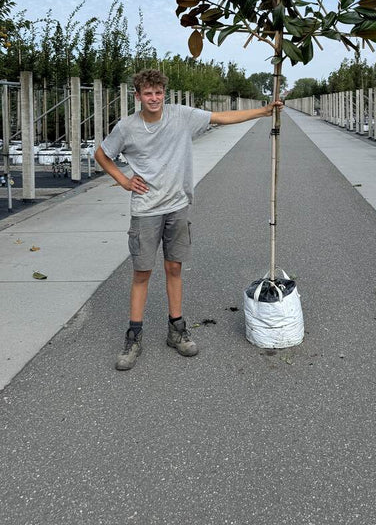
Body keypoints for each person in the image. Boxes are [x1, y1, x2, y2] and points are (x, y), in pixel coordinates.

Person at [94, 68, 283, 371]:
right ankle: (134, 335)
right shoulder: (127, 127)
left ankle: (176, 330)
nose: (153, 98)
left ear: (163, 94)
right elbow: (102, 154)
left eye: (158, 93)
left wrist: (263, 111)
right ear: (138, 96)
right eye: (147, 93)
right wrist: (124, 180)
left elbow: (220, 118)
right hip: (146, 209)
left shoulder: (180, 115)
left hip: (178, 206)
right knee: (142, 272)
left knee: (174, 267)